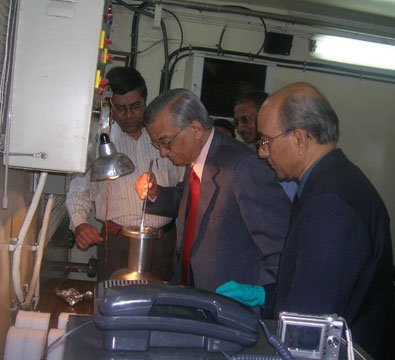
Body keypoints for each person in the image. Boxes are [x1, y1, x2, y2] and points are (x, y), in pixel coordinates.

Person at [256, 82, 394, 359]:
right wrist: (266, 295)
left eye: (266, 141)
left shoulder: (331, 203)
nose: (261, 152)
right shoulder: (331, 183)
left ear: (299, 138)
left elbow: (309, 325)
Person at [135, 88, 292, 316]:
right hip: (193, 294)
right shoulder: (197, 157)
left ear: (196, 129)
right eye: (156, 144)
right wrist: (155, 193)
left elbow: (280, 245)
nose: (162, 152)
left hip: (231, 306)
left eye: (166, 142)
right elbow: (192, 203)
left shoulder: (242, 167)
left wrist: (263, 300)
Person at [66, 67, 184, 281]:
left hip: (162, 243)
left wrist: (159, 190)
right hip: (117, 243)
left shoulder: (164, 139)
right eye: (121, 109)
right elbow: (78, 191)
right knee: (113, 306)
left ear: (145, 102)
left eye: (135, 107)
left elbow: (183, 188)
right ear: (111, 105)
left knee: (157, 306)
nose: (129, 116)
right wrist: (80, 224)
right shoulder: (99, 142)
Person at [234, 89, 297, 201]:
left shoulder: (284, 158)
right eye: (236, 122)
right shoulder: (247, 155)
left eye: (245, 119)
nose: (240, 128)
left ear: (264, 116)